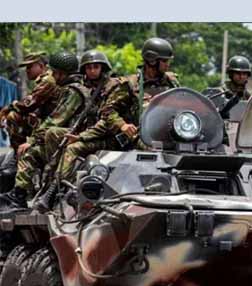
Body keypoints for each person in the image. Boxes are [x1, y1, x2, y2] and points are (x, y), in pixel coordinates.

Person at [55, 38, 179, 190]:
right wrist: (123, 125)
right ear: (152, 61)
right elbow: (107, 111)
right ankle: (66, 191)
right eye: (165, 61)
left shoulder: (172, 83)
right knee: (73, 148)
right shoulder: (130, 84)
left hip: (167, 135)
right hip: (135, 137)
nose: (168, 64)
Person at [0, 51, 89, 211]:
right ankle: (18, 196)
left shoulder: (74, 92)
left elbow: (56, 119)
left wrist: (31, 141)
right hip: (58, 138)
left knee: (46, 135)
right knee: (29, 154)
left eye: (55, 73)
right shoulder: (65, 89)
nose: (52, 76)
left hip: (68, 139)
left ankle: (49, 190)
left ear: (62, 74)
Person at [34, 50, 120, 212]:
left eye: (96, 67)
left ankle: (58, 188)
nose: (92, 71)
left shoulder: (113, 87)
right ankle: (54, 179)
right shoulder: (83, 87)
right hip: (88, 132)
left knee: (73, 147)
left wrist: (81, 137)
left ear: (103, 68)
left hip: (107, 136)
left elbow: (108, 121)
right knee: (53, 133)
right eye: (88, 68)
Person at [0, 52, 61, 151]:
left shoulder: (47, 80)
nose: (27, 71)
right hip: (44, 118)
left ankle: (20, 152)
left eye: (29, 67)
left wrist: (8, 108)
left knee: (13, 116)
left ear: (41, 66)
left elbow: (28, 105)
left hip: (52, 121)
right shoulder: (42, 80)